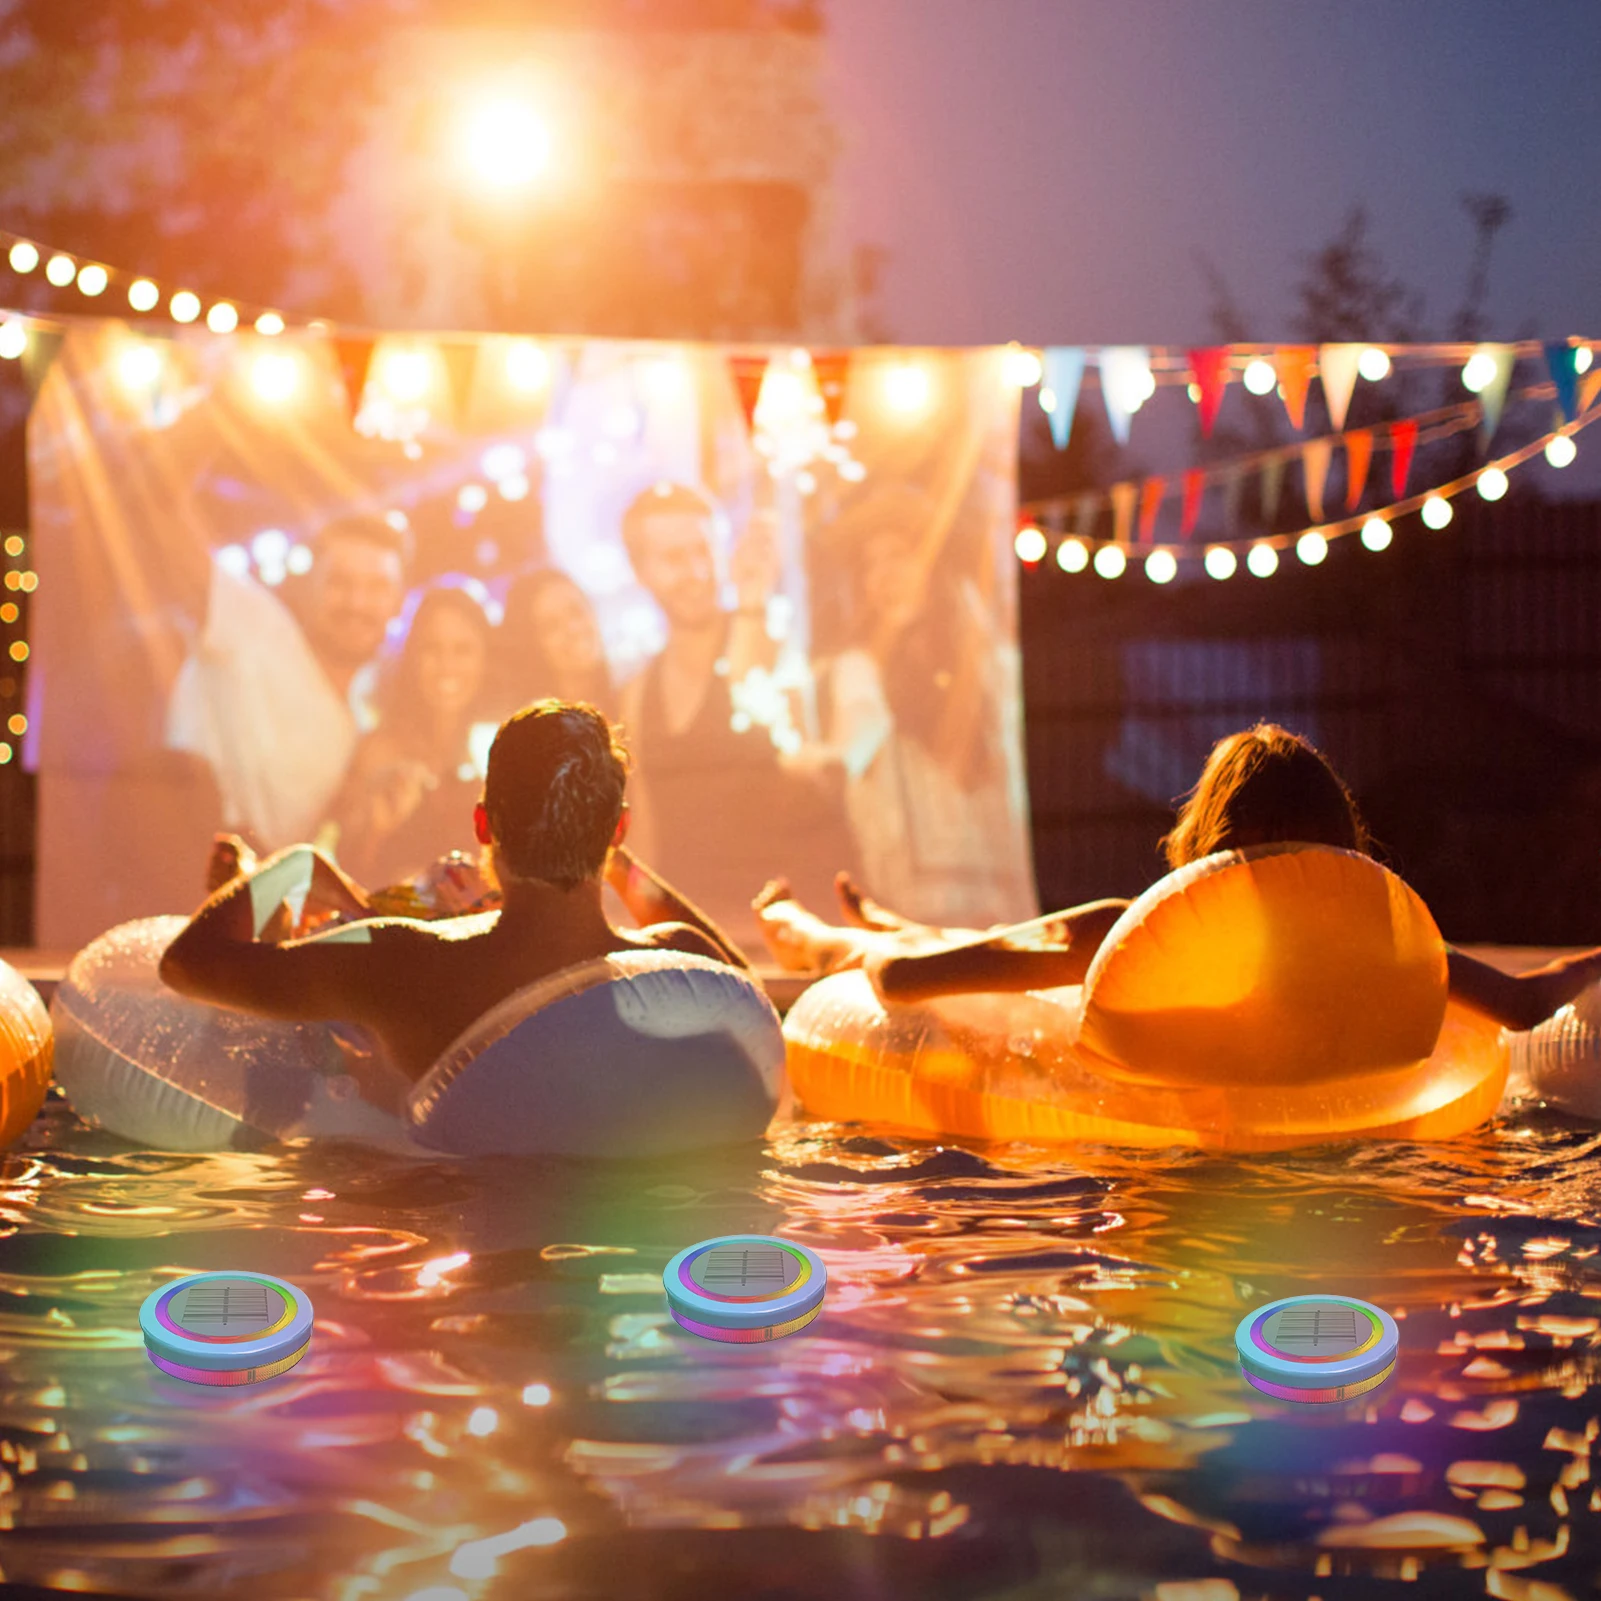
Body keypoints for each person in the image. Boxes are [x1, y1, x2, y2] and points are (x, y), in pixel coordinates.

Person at [756, 723, 1601, 1032]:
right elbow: (1525, 1003)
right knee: (899, 951)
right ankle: (824, 928)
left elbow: (1532, 1001)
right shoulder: (1128, 939)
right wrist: (863, 952)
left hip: (1089, 969)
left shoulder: (1368, 939)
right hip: (1087, 992)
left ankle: (870, 920)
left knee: (928, 951)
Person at [160, 701, 751, 1084]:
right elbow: (752, 1010)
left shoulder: (401, 963)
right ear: (620, 830)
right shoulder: (678, 962)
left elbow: (187, 965)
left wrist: (291, 866)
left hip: (434, 1238)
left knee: (315, 1049)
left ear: (482, 826)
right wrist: (599, 841)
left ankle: (266, 900)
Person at [617, 482, 856, 941]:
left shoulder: (774, 644)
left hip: (780, 935)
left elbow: (757, 698)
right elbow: (645, 830)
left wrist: (752, 600)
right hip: (694, 940)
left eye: (704, 551)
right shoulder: (637, 691)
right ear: (641, 570)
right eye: (673, 558)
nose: (696, 571)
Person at [815, 486, 1033, 927]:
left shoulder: (991, 665)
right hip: (908, 909)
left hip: (997, 904)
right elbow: (848, 753)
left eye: (898, 557)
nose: (884, 576)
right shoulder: (859, 670)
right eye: (870, 565)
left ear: (934, 566)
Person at [165, 515, 408, 851]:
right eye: (339, 582)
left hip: (251, 895)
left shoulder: (361, 725)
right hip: (179, 855)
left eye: (377, 587)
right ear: (309, 586)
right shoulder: (259, 625)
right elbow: (164, 528)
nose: (358, 603)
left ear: (398, 601)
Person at [324, 583, 498, 887]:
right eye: (432, 648)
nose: (447, 665)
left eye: (463, 650)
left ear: (486, 659)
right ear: (412, 657)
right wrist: (376, 829)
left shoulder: (501, 749)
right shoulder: (377, 752)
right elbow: (337, 870)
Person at [496, 567, 617, 721]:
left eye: (577, 612)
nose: (573, 629)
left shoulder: (630, 697)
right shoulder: (538, 730)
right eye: (552, 626)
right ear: (533, 647)